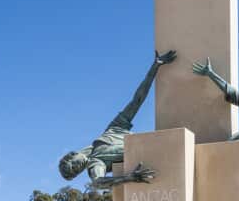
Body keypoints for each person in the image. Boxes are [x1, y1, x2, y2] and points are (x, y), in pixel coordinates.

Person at [58, 50, 176, 189]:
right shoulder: (95, 164)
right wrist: (129, 178)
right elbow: (97, 182)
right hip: (161, 164)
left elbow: (137, 100)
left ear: (73, 154)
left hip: (168, 145)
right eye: (75, 172)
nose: (77, 169)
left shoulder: (112, 130)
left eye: (73, 165)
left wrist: (154, 67)